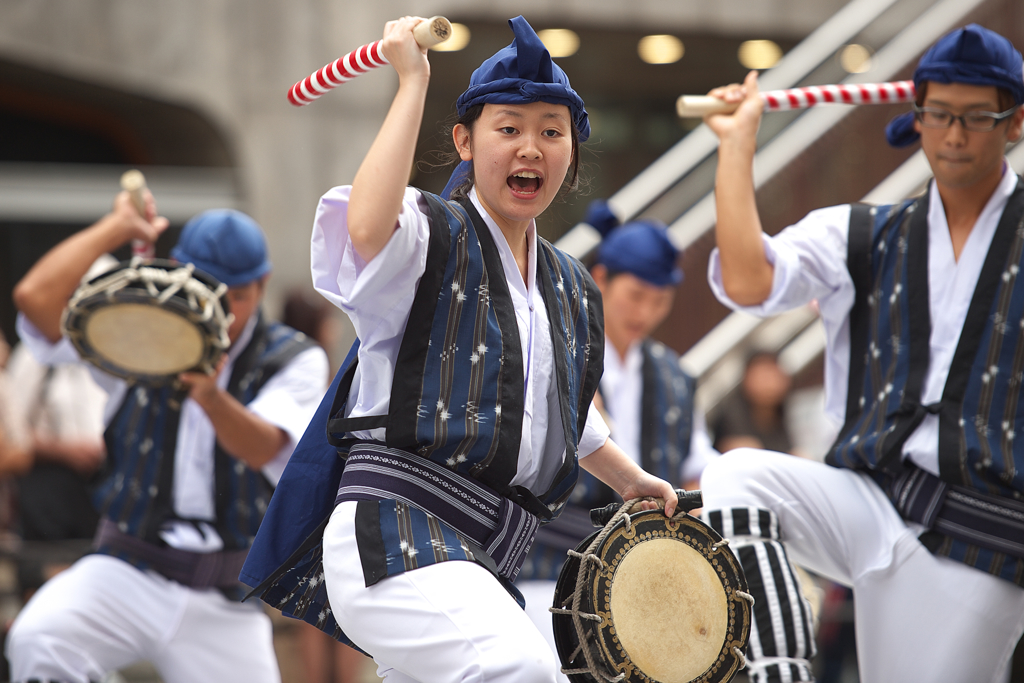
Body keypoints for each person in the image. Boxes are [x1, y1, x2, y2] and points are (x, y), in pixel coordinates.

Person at [240, 15, 679, 683]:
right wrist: (412, 82)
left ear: (571, 154)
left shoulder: (568, 285)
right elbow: (364, 223)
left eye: (550, 132)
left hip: (475, 557)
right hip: (394, 534)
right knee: (521, 669)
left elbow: (559, 407)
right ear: (464, 141)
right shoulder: (425, 236)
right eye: (508, 128)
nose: (530, 147)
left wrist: (632, 480)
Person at [700, 23, 1024, 683]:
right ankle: (779, 671)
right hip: (871, 503)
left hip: (990, 534)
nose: (955, 135)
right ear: (918, 118)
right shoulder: (862, 233)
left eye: (975, 117)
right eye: (939, 114)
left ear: (1014, 123)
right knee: (735, 478)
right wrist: (737, 148)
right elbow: (747, 280)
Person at [6, 193, 329, 683]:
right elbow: (35, 301)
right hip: (127, 568)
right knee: (37, 641)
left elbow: (265, 449)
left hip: (224, 595)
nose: (218, 312)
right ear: (178, 271)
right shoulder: (138, 330)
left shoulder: (292, 357)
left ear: (261, 286)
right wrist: (115, 226)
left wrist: (210, 395)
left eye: (234, 298)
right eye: (207, 291)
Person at [514, 205, 718, 676]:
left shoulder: (676, 377)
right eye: (637, 295)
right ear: (601, 278)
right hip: (551, 566)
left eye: (660, 300)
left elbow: (695, 462)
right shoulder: (558, 353)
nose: (646, 312)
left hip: (649, 570)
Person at [712, 350, 794, 454]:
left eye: (774, 375)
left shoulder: (784, 412)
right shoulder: (730, 414)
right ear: (747, 378)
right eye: (764, 377)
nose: (770, 385)